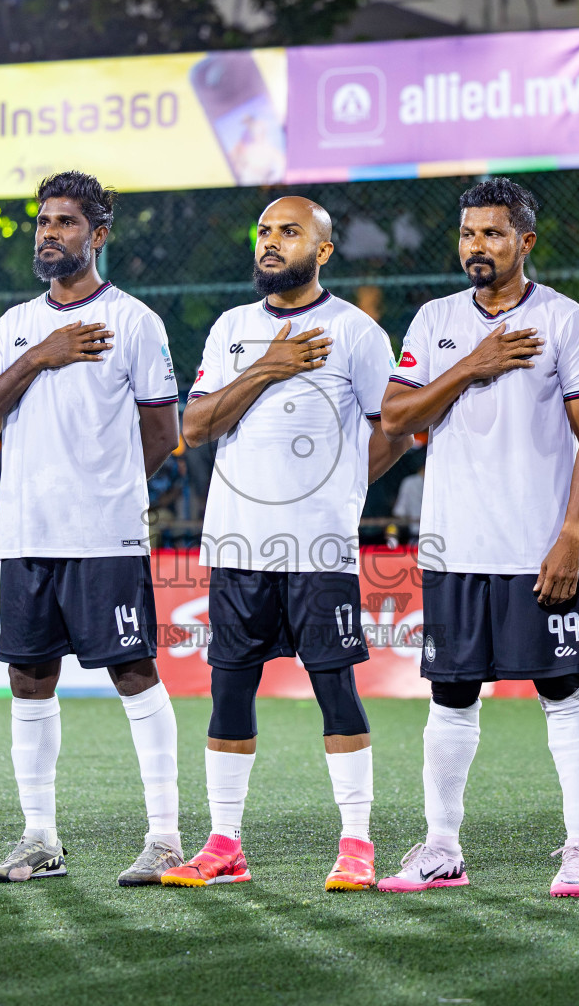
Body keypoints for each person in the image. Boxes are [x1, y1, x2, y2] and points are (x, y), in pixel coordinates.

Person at [164, 196, 411, 890]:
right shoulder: (233, 328)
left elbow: (393, 429)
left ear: (323, 250)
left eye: (289, 232)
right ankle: (224, 845)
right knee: (229, 695)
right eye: (265, 232)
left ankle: (357, 843)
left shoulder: (356, 332)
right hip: (238, 547)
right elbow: (200, 423)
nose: (271, 243)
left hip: (319, 550)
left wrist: (339, 492)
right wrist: (269, 366)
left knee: (337, 690)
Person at [376, 178, 579, 895]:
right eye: (469, 233)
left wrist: (571, 535)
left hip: (536, 547)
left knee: (563, 691)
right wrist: (472, 363)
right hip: (453, 547)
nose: (478, 246)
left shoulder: (566, 322)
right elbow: (396, 416)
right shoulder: (435, 321)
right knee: (451, 697)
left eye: (494, 234)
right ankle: (442, 846)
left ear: (525, 242)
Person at [0, 171, 184, 886]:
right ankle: (39, 840)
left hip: (102, 536)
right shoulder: (19, 323)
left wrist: (110, 488)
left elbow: (162, 432)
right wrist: (39, 356)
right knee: (29, 677)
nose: (49, 234)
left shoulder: (135, 322)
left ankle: (166, 838)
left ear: (99, 233)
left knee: (132, 670)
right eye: (43, 222)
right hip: (26, 535)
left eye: (64, 222)